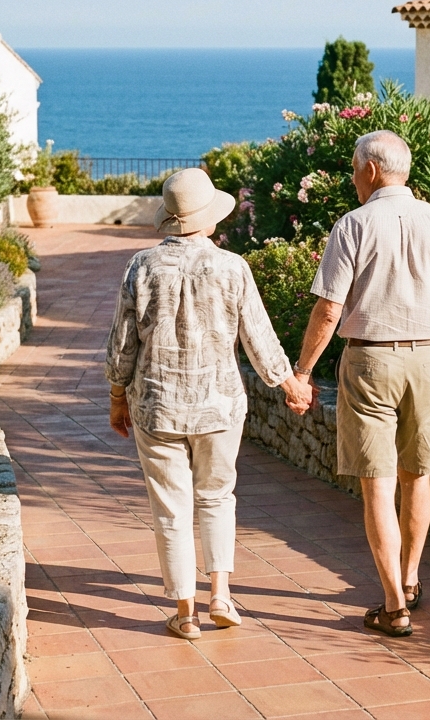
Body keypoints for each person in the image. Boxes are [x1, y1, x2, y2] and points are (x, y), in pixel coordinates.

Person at [106, 167, 313, 641]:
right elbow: (258, 336)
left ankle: (186, 613)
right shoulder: (232, 266)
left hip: (157, 406)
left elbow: (122, 344)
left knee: (170, 510)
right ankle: (220, 594)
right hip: (219, 407)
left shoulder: (142, 266)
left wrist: (118, 397)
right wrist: (289, 384)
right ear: (210, 218)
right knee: (218, 497)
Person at [294, 130, 430, 637]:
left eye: (355, 170)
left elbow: (330, 307)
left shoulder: (354, 224)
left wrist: (304, 372)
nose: (354, 180)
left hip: (371, 363)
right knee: (416, 476)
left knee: (376, 484)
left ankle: (394, 605)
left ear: (371, 171)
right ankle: (412, 579)